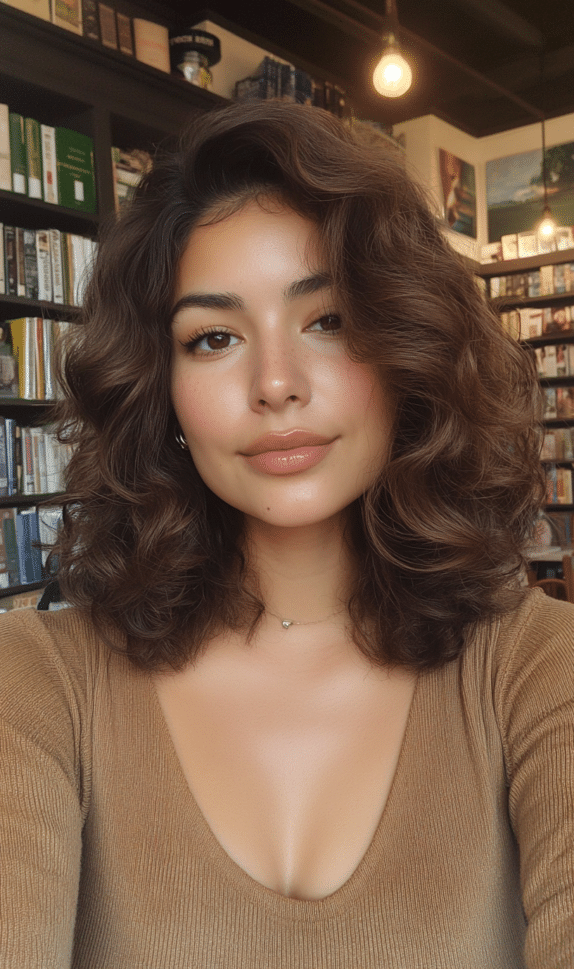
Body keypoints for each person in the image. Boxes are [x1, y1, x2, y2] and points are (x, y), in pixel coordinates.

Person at [1, 100, 572, 968]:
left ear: (407, 350)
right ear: (163, 391)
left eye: (329, 321)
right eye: (215, 337)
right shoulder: (38, 681)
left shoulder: (536, 668)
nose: (275, 383)